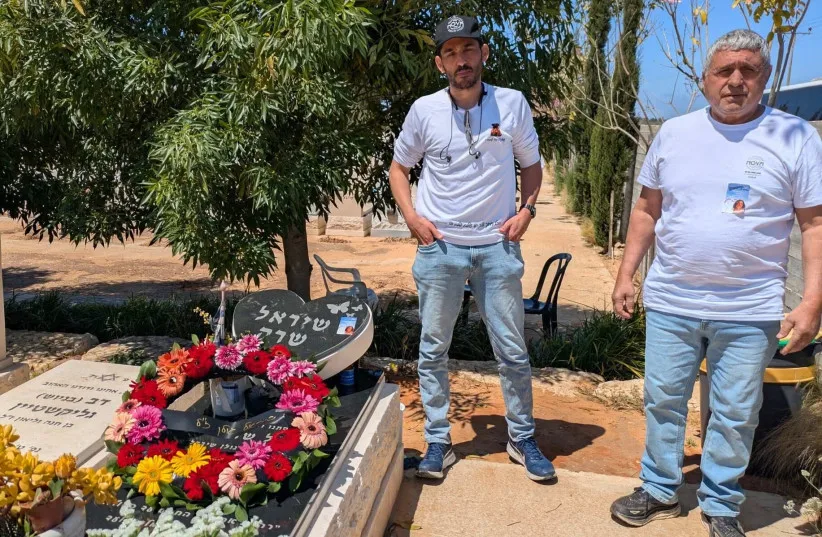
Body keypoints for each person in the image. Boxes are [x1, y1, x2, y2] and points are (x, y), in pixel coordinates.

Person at [610, 29, 822, 537]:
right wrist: (626, 274)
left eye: (748, 70)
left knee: (735, 412)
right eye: (724, 71)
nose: (735, 81)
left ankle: (722, 504)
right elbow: (646, 209)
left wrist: (812, 301)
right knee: (662, 399)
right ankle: (660, 488)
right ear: (705, 80)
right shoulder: (674, 133)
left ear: (765, 78)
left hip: (750, 308)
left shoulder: (796, 137)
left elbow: (813, 223)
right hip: (671, 301)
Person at [388, 14, 554, 482]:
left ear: (483, 54)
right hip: (440, 250)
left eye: (469, 50)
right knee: (432, 349)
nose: (461, 60)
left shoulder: (513, 104)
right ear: (440, 62)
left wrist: (527, 211)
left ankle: (521, 437)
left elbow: (533, 166)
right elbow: (399, 169)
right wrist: (414, 219)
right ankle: (439, 441)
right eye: (451, 52)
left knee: (513, 350)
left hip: (497, 249)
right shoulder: (424, 111)